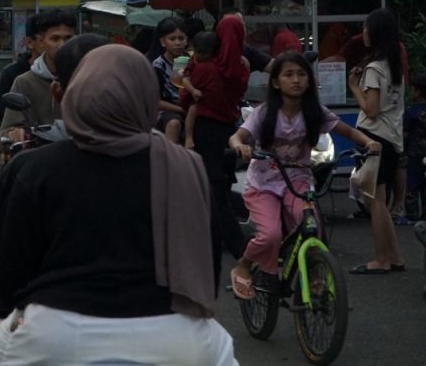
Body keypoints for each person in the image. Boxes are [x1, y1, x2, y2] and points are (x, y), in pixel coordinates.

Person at [0, 45, 235, 365]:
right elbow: (208, 263)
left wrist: (9, 314)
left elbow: (7, 272)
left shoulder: (33, 167)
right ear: (148, 99)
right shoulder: (186, 166)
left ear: (72, 94)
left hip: (57, 334)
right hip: (178, 335)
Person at [227, 52, 379, 298]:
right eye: (288, 75)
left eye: (301, 74)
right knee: (270, 235)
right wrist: (240, 146)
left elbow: (348, 132)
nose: (296, 80)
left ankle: (315, 274)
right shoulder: (264, 113)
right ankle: (243, 266)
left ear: (309, 80)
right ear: (276, 82)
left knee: (313, 227)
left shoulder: (315, 112)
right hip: (263, 185)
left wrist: (369, 142)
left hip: (298, 183)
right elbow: (238, 136)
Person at [185, 15, 249, 269]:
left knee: (214, 192)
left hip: (205, 131)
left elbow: (185, 97)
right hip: (228, 130)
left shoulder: (204, 68)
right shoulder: (238, 67)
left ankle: (239, 250)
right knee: (219, 187)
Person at [347, 8, 406, 273]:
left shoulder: (373, 69)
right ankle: (394, 256)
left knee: (375, 201)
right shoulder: (394, 67)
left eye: (366, 28)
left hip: (373, 136)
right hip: (392, 137)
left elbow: (370, 109)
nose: (363, 33)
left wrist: (354, 89)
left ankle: (381, 259)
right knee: (380, 198)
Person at [0, 10, 76, 141]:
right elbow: (5, 133)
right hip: (40, 156)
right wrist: (15, 134)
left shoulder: (85, 78)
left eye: (68, 38)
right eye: (55, 39)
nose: (62, 45)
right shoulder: (25, 82)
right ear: (41, 41)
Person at [151, 17, 187, 144]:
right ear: (162, 41)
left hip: (193, 108)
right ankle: (170, 159)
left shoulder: (193, 61)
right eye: (172, 39)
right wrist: (182, 110)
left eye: (181, 38)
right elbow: (155, 101)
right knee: (173, 123)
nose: (177, 43)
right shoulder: (157, 66)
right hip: (168, 111)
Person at [402, 73, 426, 220]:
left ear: (417, 91)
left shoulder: (411, 112)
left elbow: (405, 132)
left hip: (415, 153)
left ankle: (411, 215)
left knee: (412, 184)